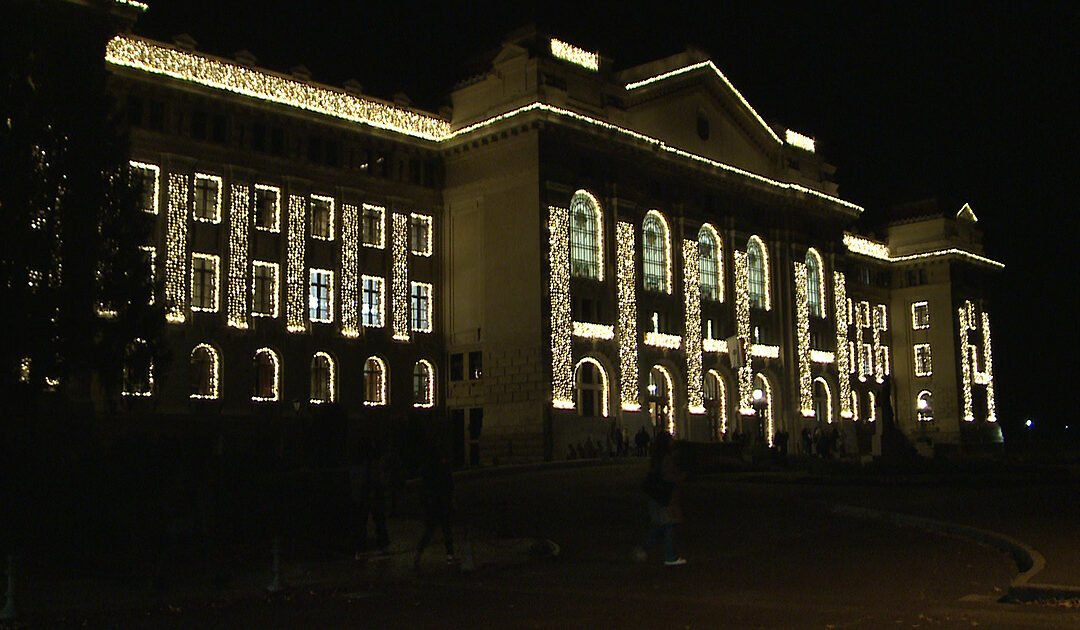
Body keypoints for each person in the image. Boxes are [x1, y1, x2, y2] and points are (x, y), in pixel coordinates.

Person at [634, 431, 686, 566]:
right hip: (664, 496)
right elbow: (668, 476)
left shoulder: (657, 457)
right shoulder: (666, 458)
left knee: (660, 526)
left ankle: (644, 548)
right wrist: (680, 477)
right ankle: (669, 557)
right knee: (668, 525)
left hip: (656, 495)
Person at [414, 440, 455, 569]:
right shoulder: (442, 466)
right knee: (446, 529)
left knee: (429, 530)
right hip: (442, 501)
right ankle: (449, 555)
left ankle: (418, 553)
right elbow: (449, 484)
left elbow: (424, 488)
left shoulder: (426, 468)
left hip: (432, 502)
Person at [350, 435, 390, 557]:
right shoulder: (373, 462)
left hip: (365, 493)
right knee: (377, 520)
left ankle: (361, 547)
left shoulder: (360, 462)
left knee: (363, 521)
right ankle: (381, 545)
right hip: (372, 492)